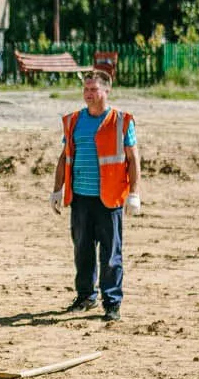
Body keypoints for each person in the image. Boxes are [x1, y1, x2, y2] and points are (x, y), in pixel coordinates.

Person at [50, 69, 141, 322]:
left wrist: (134, 193)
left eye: (94, 90)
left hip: (110, 199)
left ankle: (112, 303)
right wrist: (58, 189)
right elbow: (64, 156)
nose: (89, 94)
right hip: (80, 198)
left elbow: (133, 159)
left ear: (106, 91)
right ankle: (85, 296)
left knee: (111, 254)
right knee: (83, 251)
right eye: (86, 89)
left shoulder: (121, 120)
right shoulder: (74, 121)